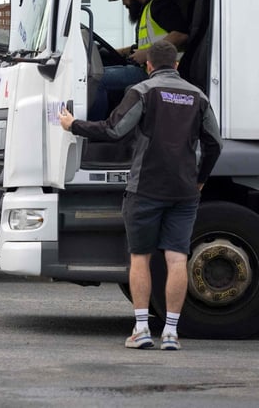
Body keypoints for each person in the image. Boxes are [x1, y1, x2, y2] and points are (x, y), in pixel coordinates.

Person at [58, 39, 222, 351]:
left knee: (140, 258)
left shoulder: (143, 92)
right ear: (176, 66)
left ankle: (143, 330)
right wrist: (200, 179)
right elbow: (215, 143)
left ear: (148, 66)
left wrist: (73, 125)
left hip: (145, 188)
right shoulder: (197, 96)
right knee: (177, 259)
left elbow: (113, 130)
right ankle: (172, 333)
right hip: (184, 191)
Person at [91, 0, 188, 120]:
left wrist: (148, 53)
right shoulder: (147, 9)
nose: (124, 3)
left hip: (160, 73)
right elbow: (144, 45)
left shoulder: (160, 4)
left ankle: (95, 130)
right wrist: (118, 51)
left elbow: (181, 35)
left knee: (97, 79)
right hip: (149, 70)